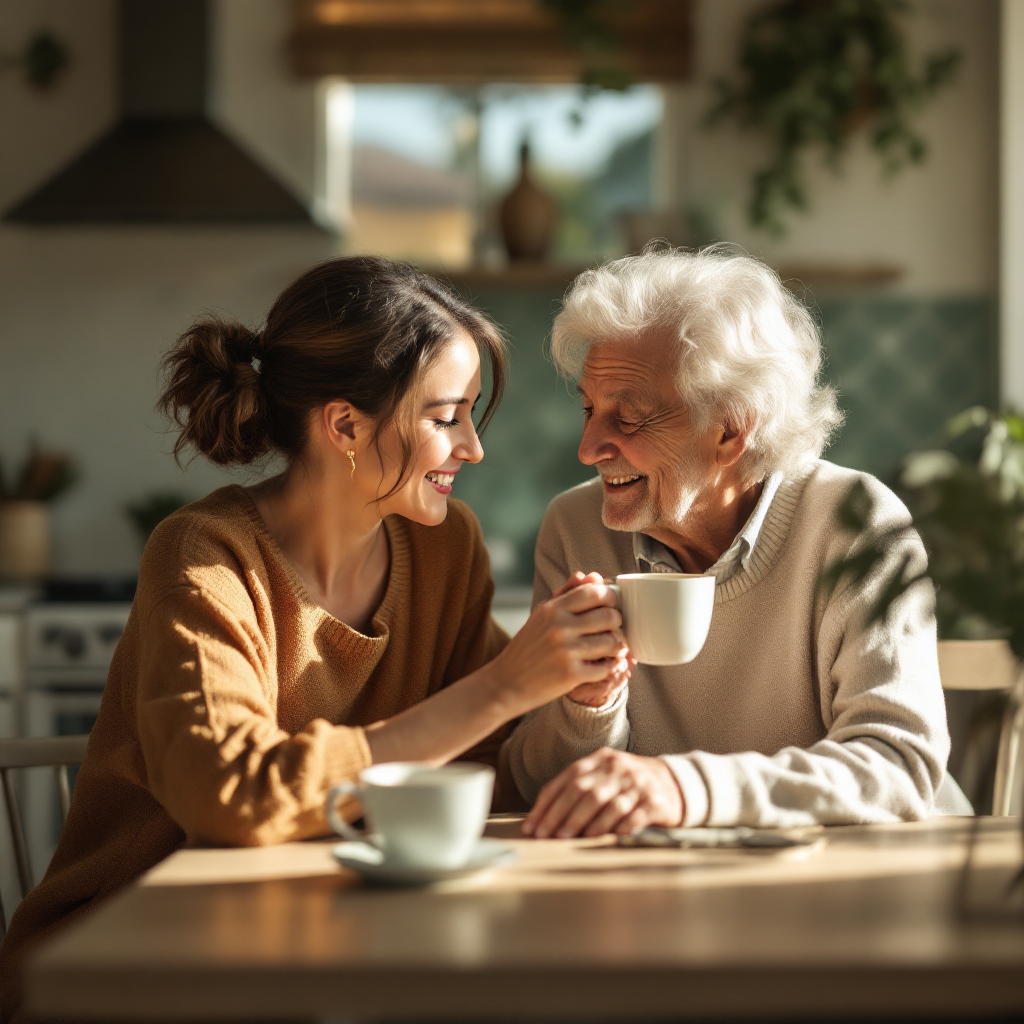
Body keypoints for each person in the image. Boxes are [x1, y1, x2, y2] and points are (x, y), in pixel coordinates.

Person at [0, 256, 629, 1019]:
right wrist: (503, 689)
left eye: (470, 414)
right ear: (344, 426)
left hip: (322, 931)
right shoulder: (204, 553)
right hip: (126, 957)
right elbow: (231, 797)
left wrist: (574, 693)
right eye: (444, 417)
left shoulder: (443, 547)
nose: (472, 447)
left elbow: (488, 766)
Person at [502, 246, 968, 840]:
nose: (588, 449)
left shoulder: (856, 524)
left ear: (730, 428)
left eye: (628, 418)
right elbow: (530, 782)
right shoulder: (575, 528)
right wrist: (587, 708)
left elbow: (899, 767)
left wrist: (683, 788)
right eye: (590, 410)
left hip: (868, 883)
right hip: (663, 891)